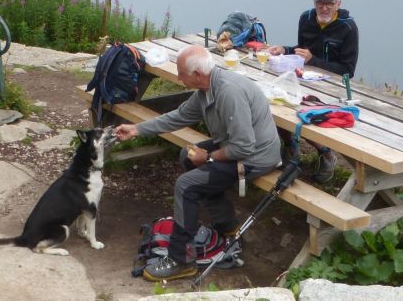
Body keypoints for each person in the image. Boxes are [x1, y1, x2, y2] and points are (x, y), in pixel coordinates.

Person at [115, 45, 281, 282]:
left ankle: (181, 260)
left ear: (197, 75)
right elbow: (178, 117)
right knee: (188, 154)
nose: (179, 77)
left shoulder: (228, 93)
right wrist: (137, 129)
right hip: (235, 145)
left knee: (187, 185)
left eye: (182, 73)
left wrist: (210, 157)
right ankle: (227, 227)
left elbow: (244, 147)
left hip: (256, 157)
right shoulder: (206, 90)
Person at [270, 0, 359, 183]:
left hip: (332, 89)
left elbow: (348, 70)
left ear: (338, 4)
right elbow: (302, 50)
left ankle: (326, 152)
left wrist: (313, 61)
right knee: (275, 103)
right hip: (304, 80)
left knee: (302, 114)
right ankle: (290, 146)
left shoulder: (348, 27)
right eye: (320, 3)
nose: (324, 8)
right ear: (314, 3)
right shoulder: (306, 18)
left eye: (329, 3)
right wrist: (285, 49)